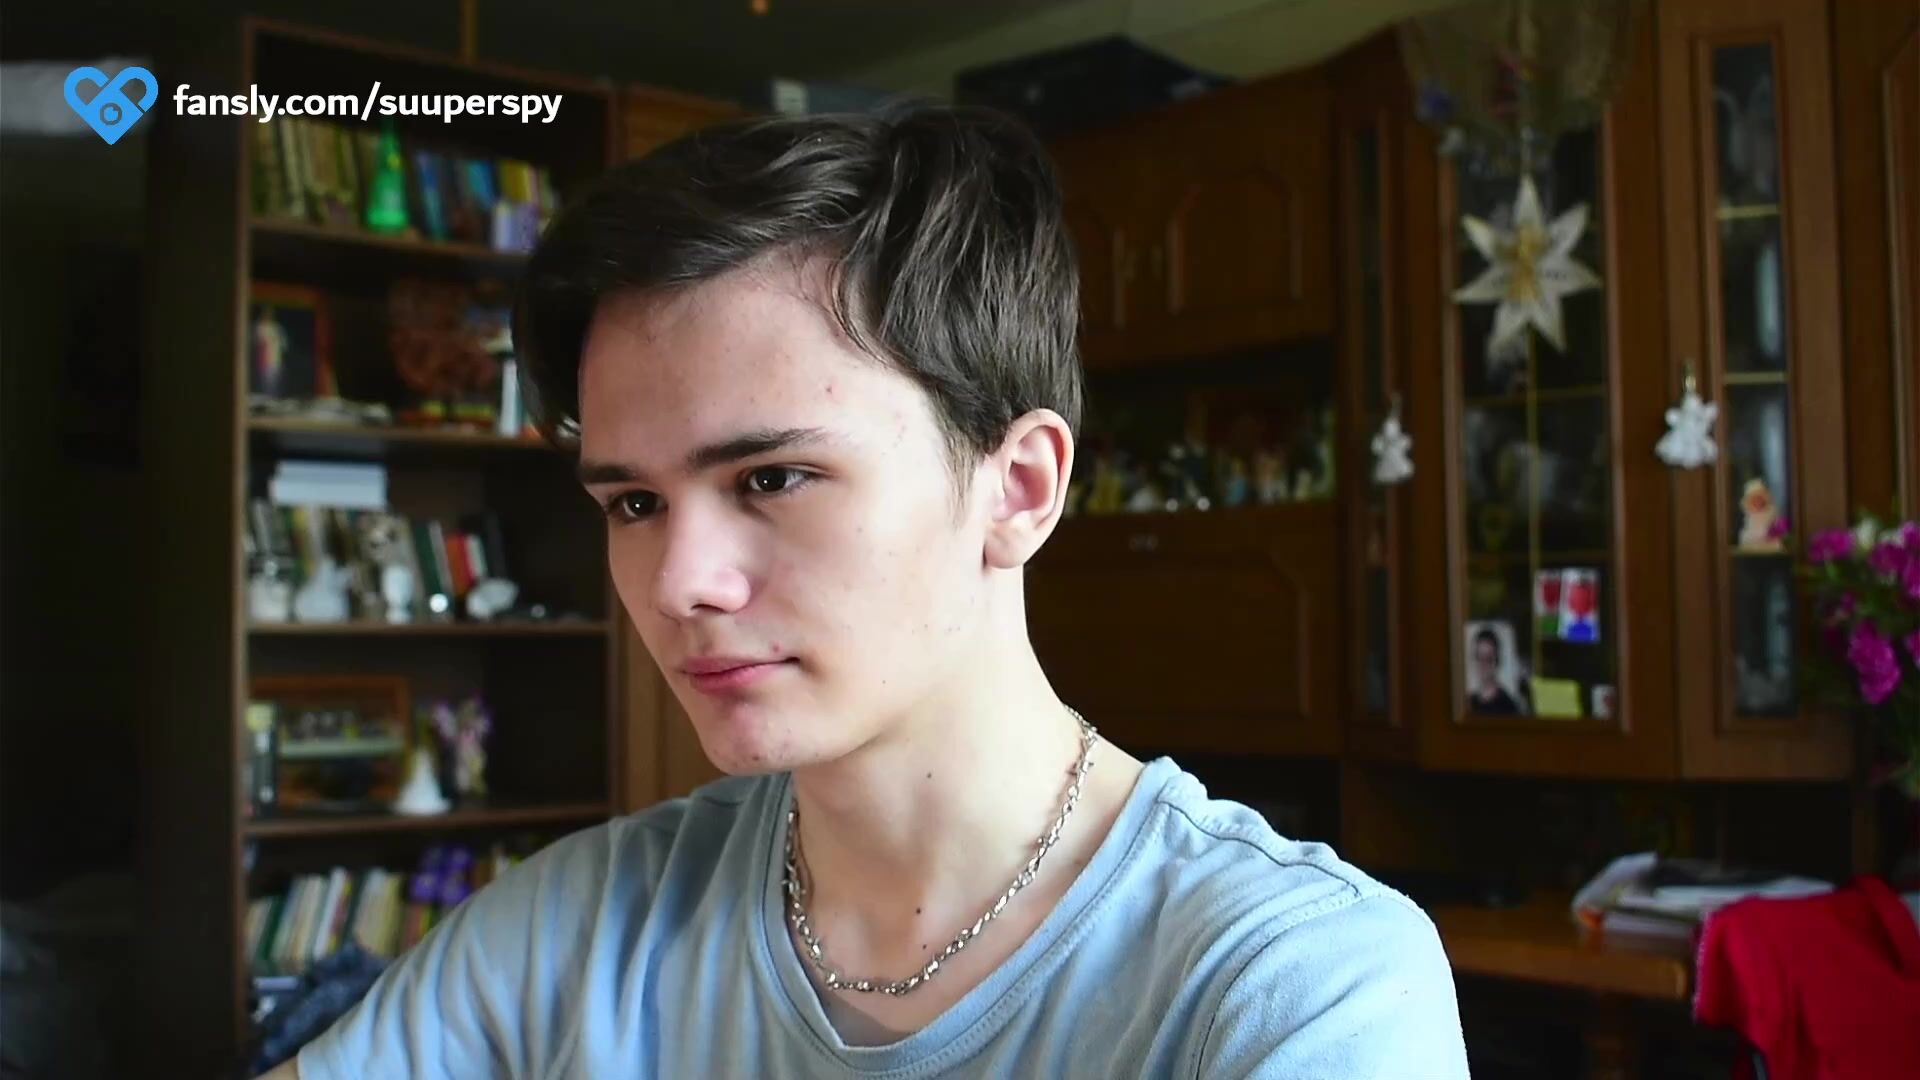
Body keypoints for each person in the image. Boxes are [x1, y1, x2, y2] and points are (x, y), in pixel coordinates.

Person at [265, 104, 1467, 1080]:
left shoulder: (1293, 987)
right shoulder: (575, 930)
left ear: (1019, 488)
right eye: (633, 503)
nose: (679, 583)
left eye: (772, 477)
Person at [1468, 625, 1524, 715]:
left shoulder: (1509, 706)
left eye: (1488, 658)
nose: (1482, 664)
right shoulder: (1469, 703)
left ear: (1497, 661)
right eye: (1479, 657)